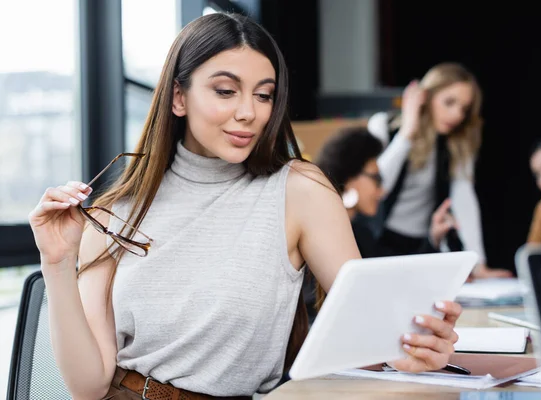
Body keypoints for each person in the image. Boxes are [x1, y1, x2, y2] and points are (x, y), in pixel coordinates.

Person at [28, 13, 463, 400]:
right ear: (178, 97)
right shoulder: (116, 210)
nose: (248, 112)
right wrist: (57, 264)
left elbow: (373, 330)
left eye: (263, 95)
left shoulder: (300, 191)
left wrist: (415, 348)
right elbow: (89, 386)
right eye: (225, 91)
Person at [366, 62, 512, 278]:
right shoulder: (383, 126)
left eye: (464, 108)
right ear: (425, 96)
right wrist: (407, 132)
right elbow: (377, 187)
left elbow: (465, 201)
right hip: (377, 245)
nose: (456, 115)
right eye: (449, 102)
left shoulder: (455, 145)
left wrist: (478, 264)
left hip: (424, 248)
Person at [315, 126, 457, 258]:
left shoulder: (360, 233)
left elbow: (396, 273)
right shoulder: (320, 232)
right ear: (349, 177)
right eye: (376, 179)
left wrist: (433, 238)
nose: (382, 191)